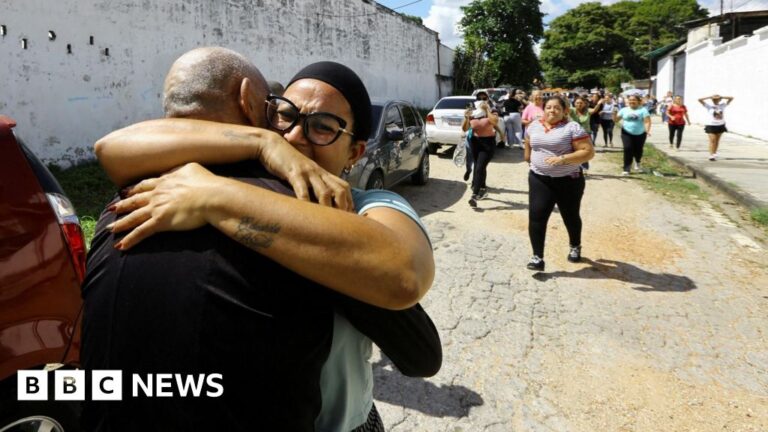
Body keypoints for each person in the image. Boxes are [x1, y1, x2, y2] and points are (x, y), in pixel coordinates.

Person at [87, 49, 440, 431]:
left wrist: (214, 195)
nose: (293, 136)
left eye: (323, 126)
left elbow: (404, 272)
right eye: (285, 115)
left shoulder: (367, 207)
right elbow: (111, 147)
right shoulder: (212, 180)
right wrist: (258, 142)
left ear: (355, 152)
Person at [523, 95, 594, 271]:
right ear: (543, 109)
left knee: (570, 216)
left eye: (557, 108)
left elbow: (588, 152)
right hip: (540, 179)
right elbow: (528, 145)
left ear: (564, 111)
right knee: (536, 217)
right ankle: (537, 257)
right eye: (548, 107)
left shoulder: (572, 128)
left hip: (569, 181)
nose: (552, 111)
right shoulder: (534, 125)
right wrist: (531, 160)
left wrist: (563, 159)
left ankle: (575, 246)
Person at [462, 97, 499, 207]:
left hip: (488, 144)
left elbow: (495, 122)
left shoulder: (492, 112)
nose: (482, 102)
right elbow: (464, 129)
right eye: (480, 100)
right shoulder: (473, 114)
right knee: (480, 167)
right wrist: (466, 118)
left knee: (479, 168)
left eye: (484, 100)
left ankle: (474, 195)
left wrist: (487, 110)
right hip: (475, 143)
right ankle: (482, 188)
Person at [614, 94, 651, 175]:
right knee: (627, 149)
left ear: (638, 101)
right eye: (630, 100)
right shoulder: (624, 110)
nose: (632, 101)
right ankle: (626, 168)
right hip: (626, 132)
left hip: (640, 133)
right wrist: (614, 115)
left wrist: (647, 130)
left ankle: (637, 162)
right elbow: (616, 120)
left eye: (634, 100)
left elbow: (647, 121)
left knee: (638, 150)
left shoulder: (643, 110)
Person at [698, 94, 734, 161]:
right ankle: (711, 155)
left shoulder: (722, 105)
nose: (715, 100)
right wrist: (709, 97)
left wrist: (721, 97)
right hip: (711, 125)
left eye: (716, 99)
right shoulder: (709, 106)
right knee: (712, 140)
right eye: (713, 99)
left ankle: (714, 153)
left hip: (720, 125)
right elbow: (699, 100)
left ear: (719, 100)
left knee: (717, 141)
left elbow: (731, 98)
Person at [569, 95, 593, 174]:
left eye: (581, 103)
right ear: (574, 103)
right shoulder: (572, 110)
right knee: (573, 151)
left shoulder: (587, 111)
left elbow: (594, 110)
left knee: (584, 151)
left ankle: (584, 167)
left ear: (584, 104)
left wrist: (599, 104)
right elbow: (565, 109)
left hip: (585, 135)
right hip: (573, 134)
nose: (579, 104)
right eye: (577, 103)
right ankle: (573, 168)